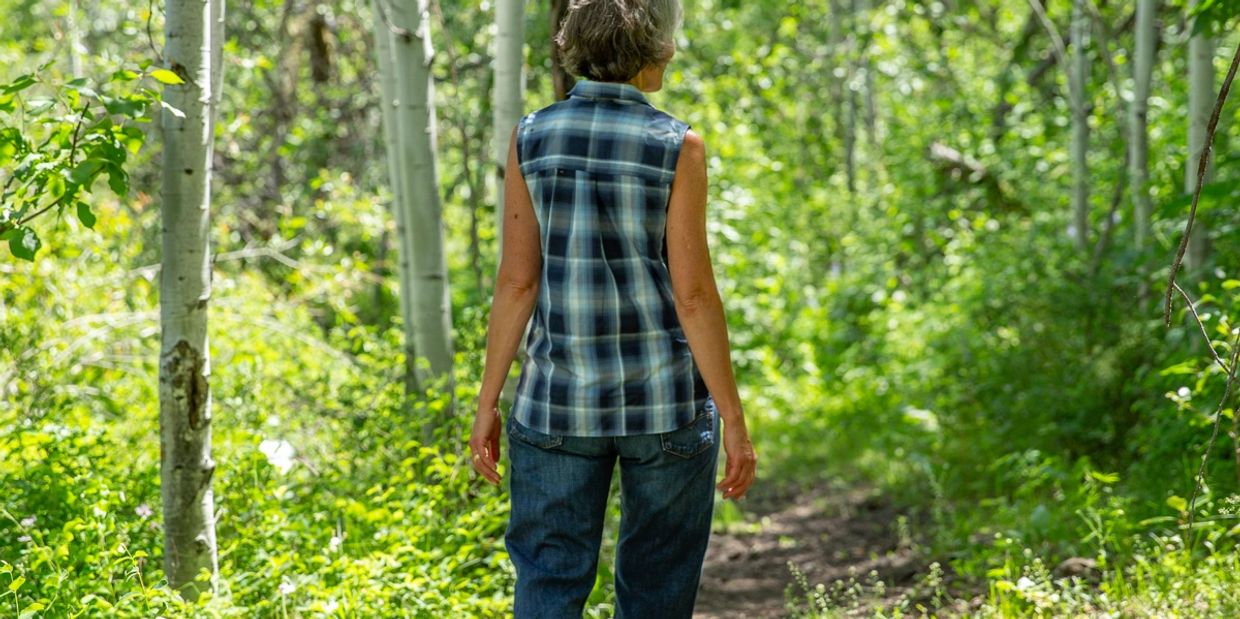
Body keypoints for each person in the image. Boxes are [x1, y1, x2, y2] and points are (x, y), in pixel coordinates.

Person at [468, 0, 757, 616]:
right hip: (664, 406)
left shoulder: (531, 136)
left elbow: (517, 283)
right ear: (649, 52)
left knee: (548, 581)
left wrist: (489, 401)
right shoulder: (678, 146)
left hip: (554, 405)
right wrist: (733, 418)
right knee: (657, 586)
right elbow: (694, 295)